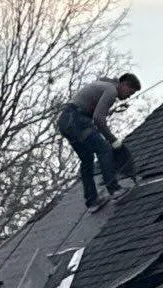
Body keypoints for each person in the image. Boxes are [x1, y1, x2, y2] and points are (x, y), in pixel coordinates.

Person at [56, 72, 141, 213]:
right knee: (105, 149)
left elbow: (94, 113)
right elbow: (98, 119)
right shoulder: (111, 91)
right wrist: (113, 140)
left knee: (87, 159)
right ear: (124, 84)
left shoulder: (104, 85)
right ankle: (114, 190)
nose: (128, 96)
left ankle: (92, 201)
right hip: (77, 120)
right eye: (130, 92)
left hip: (66, 121)